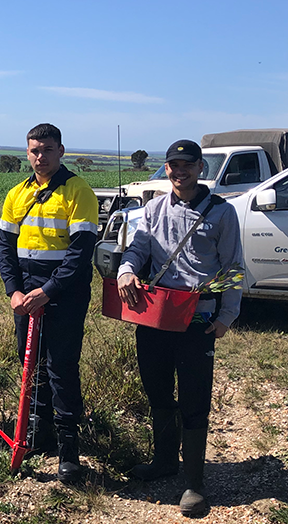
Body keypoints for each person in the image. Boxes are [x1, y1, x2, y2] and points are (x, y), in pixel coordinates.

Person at [117, 139, 243, 517]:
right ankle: (164, 461)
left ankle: (194, 483)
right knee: (157, 391)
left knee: (193, 399)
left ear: (201, 168)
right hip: (155, 315)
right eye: (173, 164)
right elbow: (138, 249)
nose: (179, 170)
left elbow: (233, 268)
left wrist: (226, 318)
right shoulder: (152, 208)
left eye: (187, 164)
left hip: (198, 319)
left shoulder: (222, 213)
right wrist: (126, 270)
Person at [0, 123, 98, 483]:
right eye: (35, 150)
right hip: (25, 295)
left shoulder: (78, 191)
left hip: (64, 295)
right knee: (31, 366)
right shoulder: (16, 194)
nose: (40, 157)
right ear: (28, 152)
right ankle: (39, 437)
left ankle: (69, 452)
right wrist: (14, 291)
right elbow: (5, 248)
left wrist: (48, 292)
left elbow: (80, 254)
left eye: (48, 150)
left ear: (61, 151)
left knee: (61, 368)